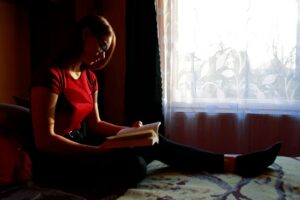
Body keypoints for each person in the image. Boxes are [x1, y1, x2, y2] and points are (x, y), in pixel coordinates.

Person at [30, 15, 281, 190]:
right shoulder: (52, 75)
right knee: (135, 167)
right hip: (58, 159)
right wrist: (96, 151)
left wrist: (131, 132)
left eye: (107, 51)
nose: (103, 56)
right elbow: (44, 139)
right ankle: (232, 162)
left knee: (152, 140)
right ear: (85, 35)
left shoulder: (90, 78)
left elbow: (94, 124)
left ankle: (232, 162)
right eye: (102, 47)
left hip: (85, 146)